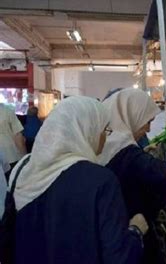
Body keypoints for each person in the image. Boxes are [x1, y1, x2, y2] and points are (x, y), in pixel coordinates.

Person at [9, 96, 148, 264]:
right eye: (105, 130)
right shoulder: (101, 181)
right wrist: (136, 230)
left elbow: (6, 243)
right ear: (87, 131)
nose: (105, 138)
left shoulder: (22, 170)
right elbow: (119, 257)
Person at [99, 88, 166, 264]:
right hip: (130, 235)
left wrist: (139, 153)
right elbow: (161, 176)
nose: (147, 129)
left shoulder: (108, 141)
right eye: (147, 122)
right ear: (131, 115)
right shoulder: (125, 150)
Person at [0, 104, 26, 174]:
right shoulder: (7, 111)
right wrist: (24, 158)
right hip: (9, 157)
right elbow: (18, 135)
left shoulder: (7, 110)